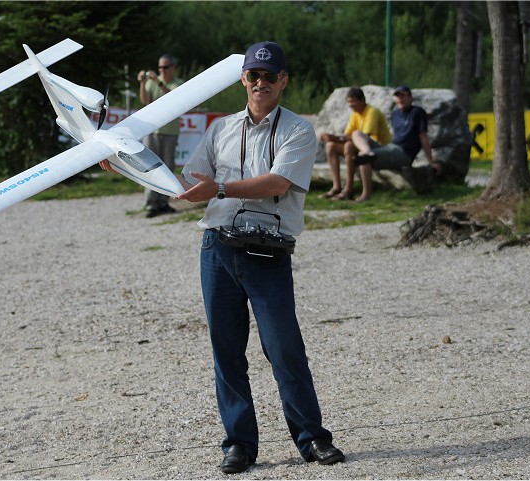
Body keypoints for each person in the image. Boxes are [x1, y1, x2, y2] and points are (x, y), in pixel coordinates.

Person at [175, 41, 344, 474]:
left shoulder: (297, 130)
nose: (261, 83)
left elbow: (277, 184)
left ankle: (312, 440)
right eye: (254, 75)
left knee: (284, 348)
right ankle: (239, 445)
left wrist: (221, 189)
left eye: (270, 76)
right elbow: (184, 185)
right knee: (226, 351)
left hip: (267, 251)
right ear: (243, 79)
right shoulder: (219, 129)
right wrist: (123, 163)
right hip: (217, 249)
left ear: (283, 80)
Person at [351, 85, 439, 202]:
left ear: (410, 98)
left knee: (364, 157)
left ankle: (366, 194)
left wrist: (431, 161)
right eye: (398, 96)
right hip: (390, 147)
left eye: (403, 96)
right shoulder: (395, 114)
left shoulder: (417, 112)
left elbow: (423, 137)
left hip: (404, 153)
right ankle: (367, 152)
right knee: (357, 133)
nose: (400, 99)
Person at [319, 87, 392, 200]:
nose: (350, 105)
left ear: (362, 100)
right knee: (331, 146)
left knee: (349, 144)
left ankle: (348, 188)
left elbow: (364, 136)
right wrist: (333, 139)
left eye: (353, 102)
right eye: (348, 102)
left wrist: (336, 137)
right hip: (362, 147)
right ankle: (336, 186)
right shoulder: (355, 114)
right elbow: (347, 135)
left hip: (378, 148)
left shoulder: (372, 112)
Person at [137, 55, 184, 217]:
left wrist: (158, 82)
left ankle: (164, 201)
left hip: (170, 131)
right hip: (152, 130)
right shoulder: (151, 82)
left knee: (168, 167)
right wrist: (143, 82)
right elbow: (144, 100)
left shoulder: (177, 83)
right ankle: (151, 203)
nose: (162, 70)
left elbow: (174, 98)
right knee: (149, 166)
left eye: (165, 67)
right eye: (160, 68)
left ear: (173, 67)